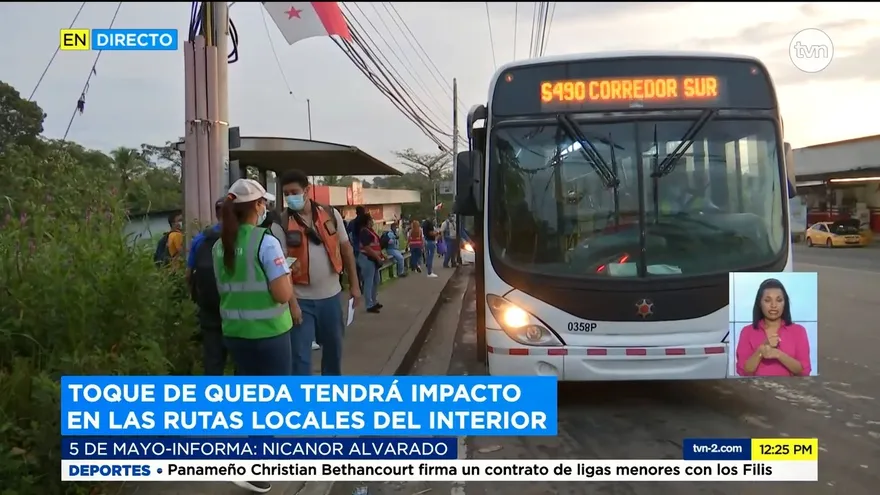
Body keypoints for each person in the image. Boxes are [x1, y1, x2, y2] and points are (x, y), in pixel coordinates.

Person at [212, 179, 297, 495]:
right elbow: (281, 293)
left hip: (236, 333)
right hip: (268, 334)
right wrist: (285, 274)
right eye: (264, 203)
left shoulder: (220, 244)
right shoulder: (266, 242)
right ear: (257, 207)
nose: (266, 208)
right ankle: (258, 470)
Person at [280, 170, 361, 376]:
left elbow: (346, 250)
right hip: (300, 300)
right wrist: (292, 304)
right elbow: (280, 268)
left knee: (334, 351)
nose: (290, 197)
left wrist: (355, 285)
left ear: (307, 190)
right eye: (286, 194)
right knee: (300, 357)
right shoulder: (280, 224)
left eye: (294, 192)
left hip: (331, 298)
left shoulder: (331, 214)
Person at [185, 198, 228, 375]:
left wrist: (197, 296)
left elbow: (188, 275)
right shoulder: (242, 236)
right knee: (243, 363)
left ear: (216, 214)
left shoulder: (200, 239)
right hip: (238, 310)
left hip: (209, 309)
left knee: (213, 361)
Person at [735, 278, 811, 377]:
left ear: (785, 303)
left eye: (779, 300)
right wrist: (761, 350)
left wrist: (778, 354)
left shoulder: (799, 331)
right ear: (760, 303)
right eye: (767, 300)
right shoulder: (747, 331)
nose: (774, 305)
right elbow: (744, 372)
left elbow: (804, 372)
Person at [356, 213, 385, 313]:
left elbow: (375, 245)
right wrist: (377, 257)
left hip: (372, 259)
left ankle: (374, 301)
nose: (372, 221)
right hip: (367, 259)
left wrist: (381, 255)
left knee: (376, 281)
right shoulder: (364, 231)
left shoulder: (369, 231)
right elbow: (367, 247)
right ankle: (369, 304)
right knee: (369, 282)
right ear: (367, 221)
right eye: (371, 219)